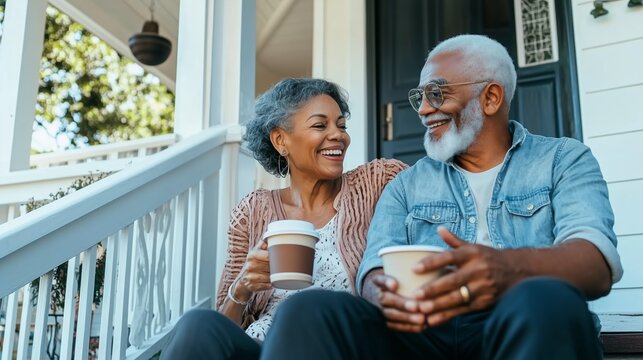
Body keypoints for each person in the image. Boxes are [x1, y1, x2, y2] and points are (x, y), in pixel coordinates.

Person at [260, 35, 623, 359]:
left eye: (437, 93)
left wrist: (508, 269)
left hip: (527, 320)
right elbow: (373, 269)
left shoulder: (563, 160)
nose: (422, 109)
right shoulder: (406, 184)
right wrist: (384, 294)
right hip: (423, 335)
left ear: (491, 97)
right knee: (308, 309)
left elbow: (595, 263)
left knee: (544, 298)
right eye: (419, 96)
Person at [161, 78, 406, 359]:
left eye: (341, 125)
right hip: (260, 347)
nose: (338, 135)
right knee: (196, 325)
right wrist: (242, 288)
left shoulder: (376, 182)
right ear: (280, 141)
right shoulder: (252, 211)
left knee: (301, 308)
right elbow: (225, 327)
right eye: (319, 125)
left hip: (338, 341)